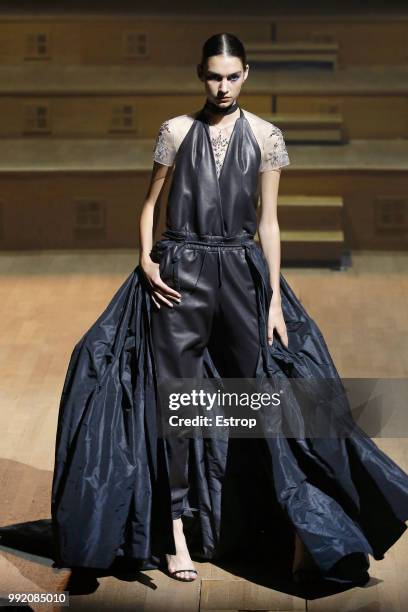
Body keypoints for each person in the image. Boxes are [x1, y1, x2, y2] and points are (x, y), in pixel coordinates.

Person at [51, 33, 408, 587]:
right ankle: (174, 537)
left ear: (247, 74)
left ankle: (296, 525)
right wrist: (146, 260)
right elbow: (150, 205)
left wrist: (272, 299)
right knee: (176, 403)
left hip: (242, 275)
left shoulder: (267, 136)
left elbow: (269, 222)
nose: (223, 86)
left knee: (272, 393)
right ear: (201, 74)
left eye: (232, 75)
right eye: (214, 75)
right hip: (179, 275)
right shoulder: (174, 130)